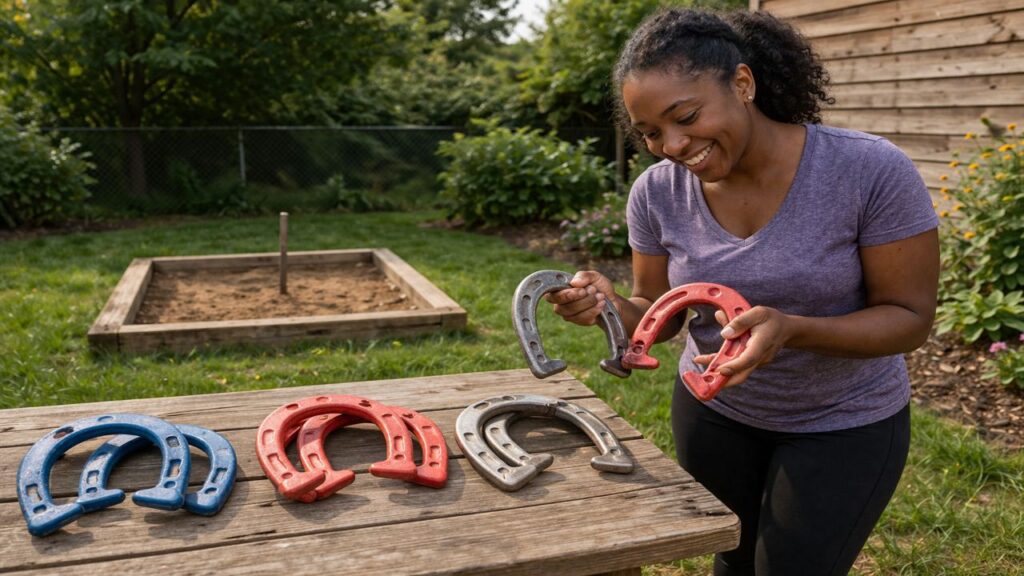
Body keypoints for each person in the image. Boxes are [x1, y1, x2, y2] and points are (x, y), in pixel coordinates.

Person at [543, 8, 940, 575]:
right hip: (715, 412)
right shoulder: (657, 193)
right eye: (650, 132)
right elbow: (659, 313)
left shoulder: (868, 170)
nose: (671, 146)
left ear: (743, 83)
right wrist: (608, 308)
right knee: (731, 561)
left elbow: (909, 319)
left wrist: (793, 330)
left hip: (843, 420)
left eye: (685, 116)